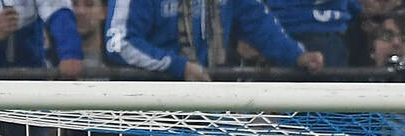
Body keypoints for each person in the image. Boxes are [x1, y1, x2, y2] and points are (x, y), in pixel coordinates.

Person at [104, 0, 322, 80]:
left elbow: (258, 21)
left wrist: (296, 55)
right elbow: (119, 43)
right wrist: (179, 66)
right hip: (151, 111)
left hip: (207, 102)